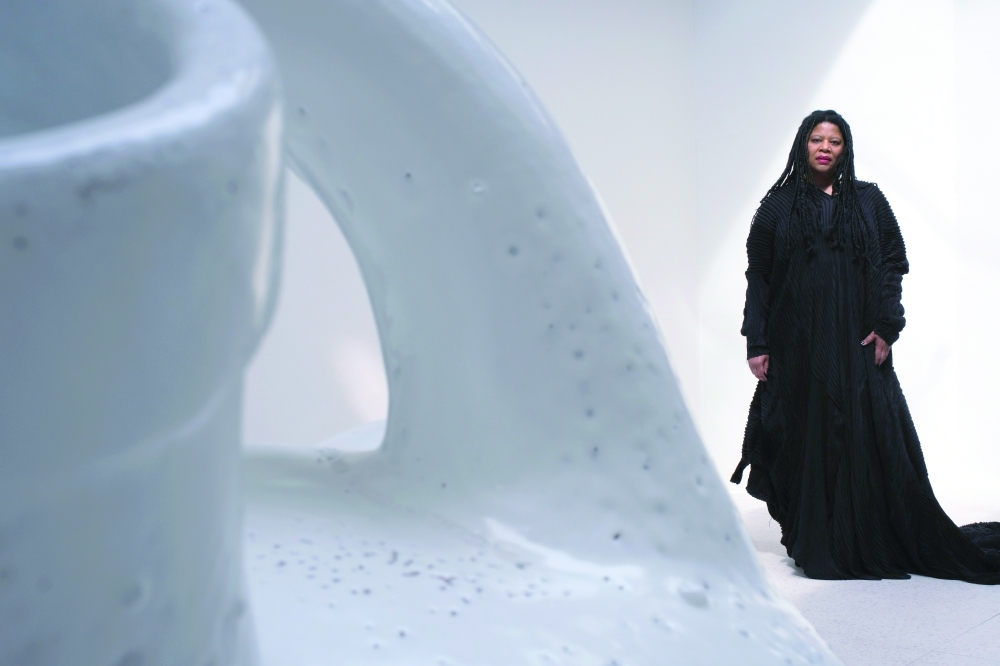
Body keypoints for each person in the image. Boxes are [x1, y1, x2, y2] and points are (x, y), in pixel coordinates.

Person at [731, 109, 1000, 583]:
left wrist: (887, 325)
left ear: (845, 149)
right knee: (804, 433)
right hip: (799, 345)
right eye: (817, 139)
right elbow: (760, 277)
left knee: (866, 434)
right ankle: (818, 538)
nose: (825, 148)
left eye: (834, 141)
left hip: (858, 342)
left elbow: (894, 261)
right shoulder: (777, 207)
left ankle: (871, 536)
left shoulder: (869, 200)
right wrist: (758, 340)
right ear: (803, 144)